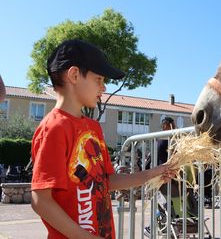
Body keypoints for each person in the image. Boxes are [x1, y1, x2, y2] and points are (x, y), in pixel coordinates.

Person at [30, 39, 176, 239]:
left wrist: (155, 173)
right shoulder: (54, 128)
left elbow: (107, 181)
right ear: (74, 75)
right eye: (98, 79)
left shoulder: (93, 127)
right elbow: (41, 201)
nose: (104, 87)